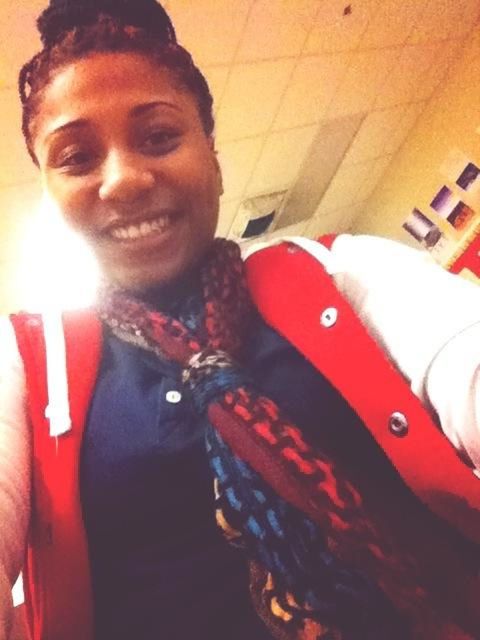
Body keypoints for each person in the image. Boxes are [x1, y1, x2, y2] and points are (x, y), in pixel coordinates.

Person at [1, 0, 480, 638]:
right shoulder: (27, 362)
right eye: (76, 158)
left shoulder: (336, 271)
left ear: (214, 157)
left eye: (159, 137)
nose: (123, 181)